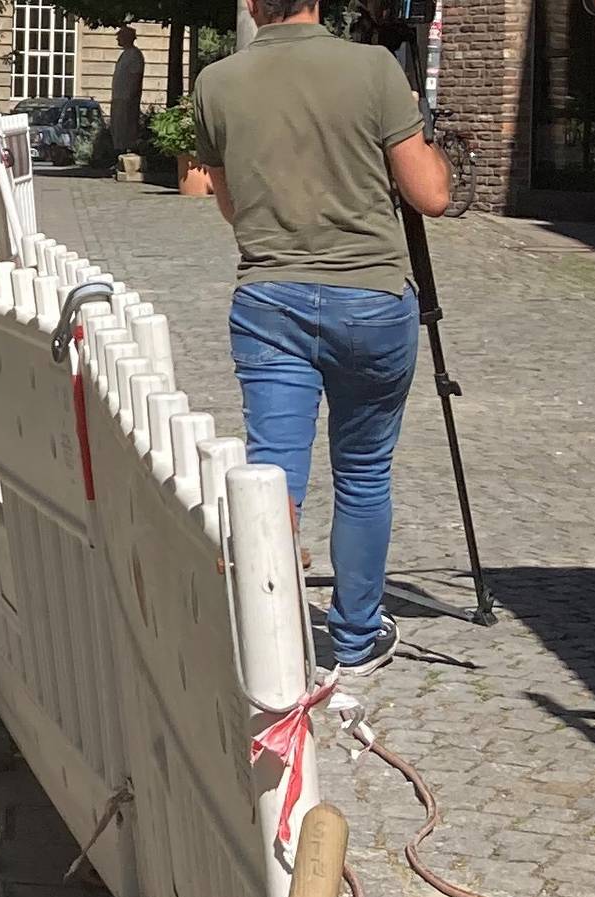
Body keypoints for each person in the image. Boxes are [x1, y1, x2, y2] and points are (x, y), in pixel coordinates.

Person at [194, 0, 451, 675]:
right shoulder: (372, 69)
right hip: (370, 296)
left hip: (269, 296)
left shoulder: (216, 83)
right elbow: (430, 196)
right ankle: (357, 636)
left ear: (252, 5)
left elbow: (228, 203)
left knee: (273, 474)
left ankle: (265, 633)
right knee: (363, 472)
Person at [109, 26, 146, 156]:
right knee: (118, 129)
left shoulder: (134, 55)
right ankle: (119, 154)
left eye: (119, 36)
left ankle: (126, 153)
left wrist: (131, 97)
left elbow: (136, 77)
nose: (117, 39)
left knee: (125, 129)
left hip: (127, 99)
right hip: (119, 97)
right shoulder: (125, 54)